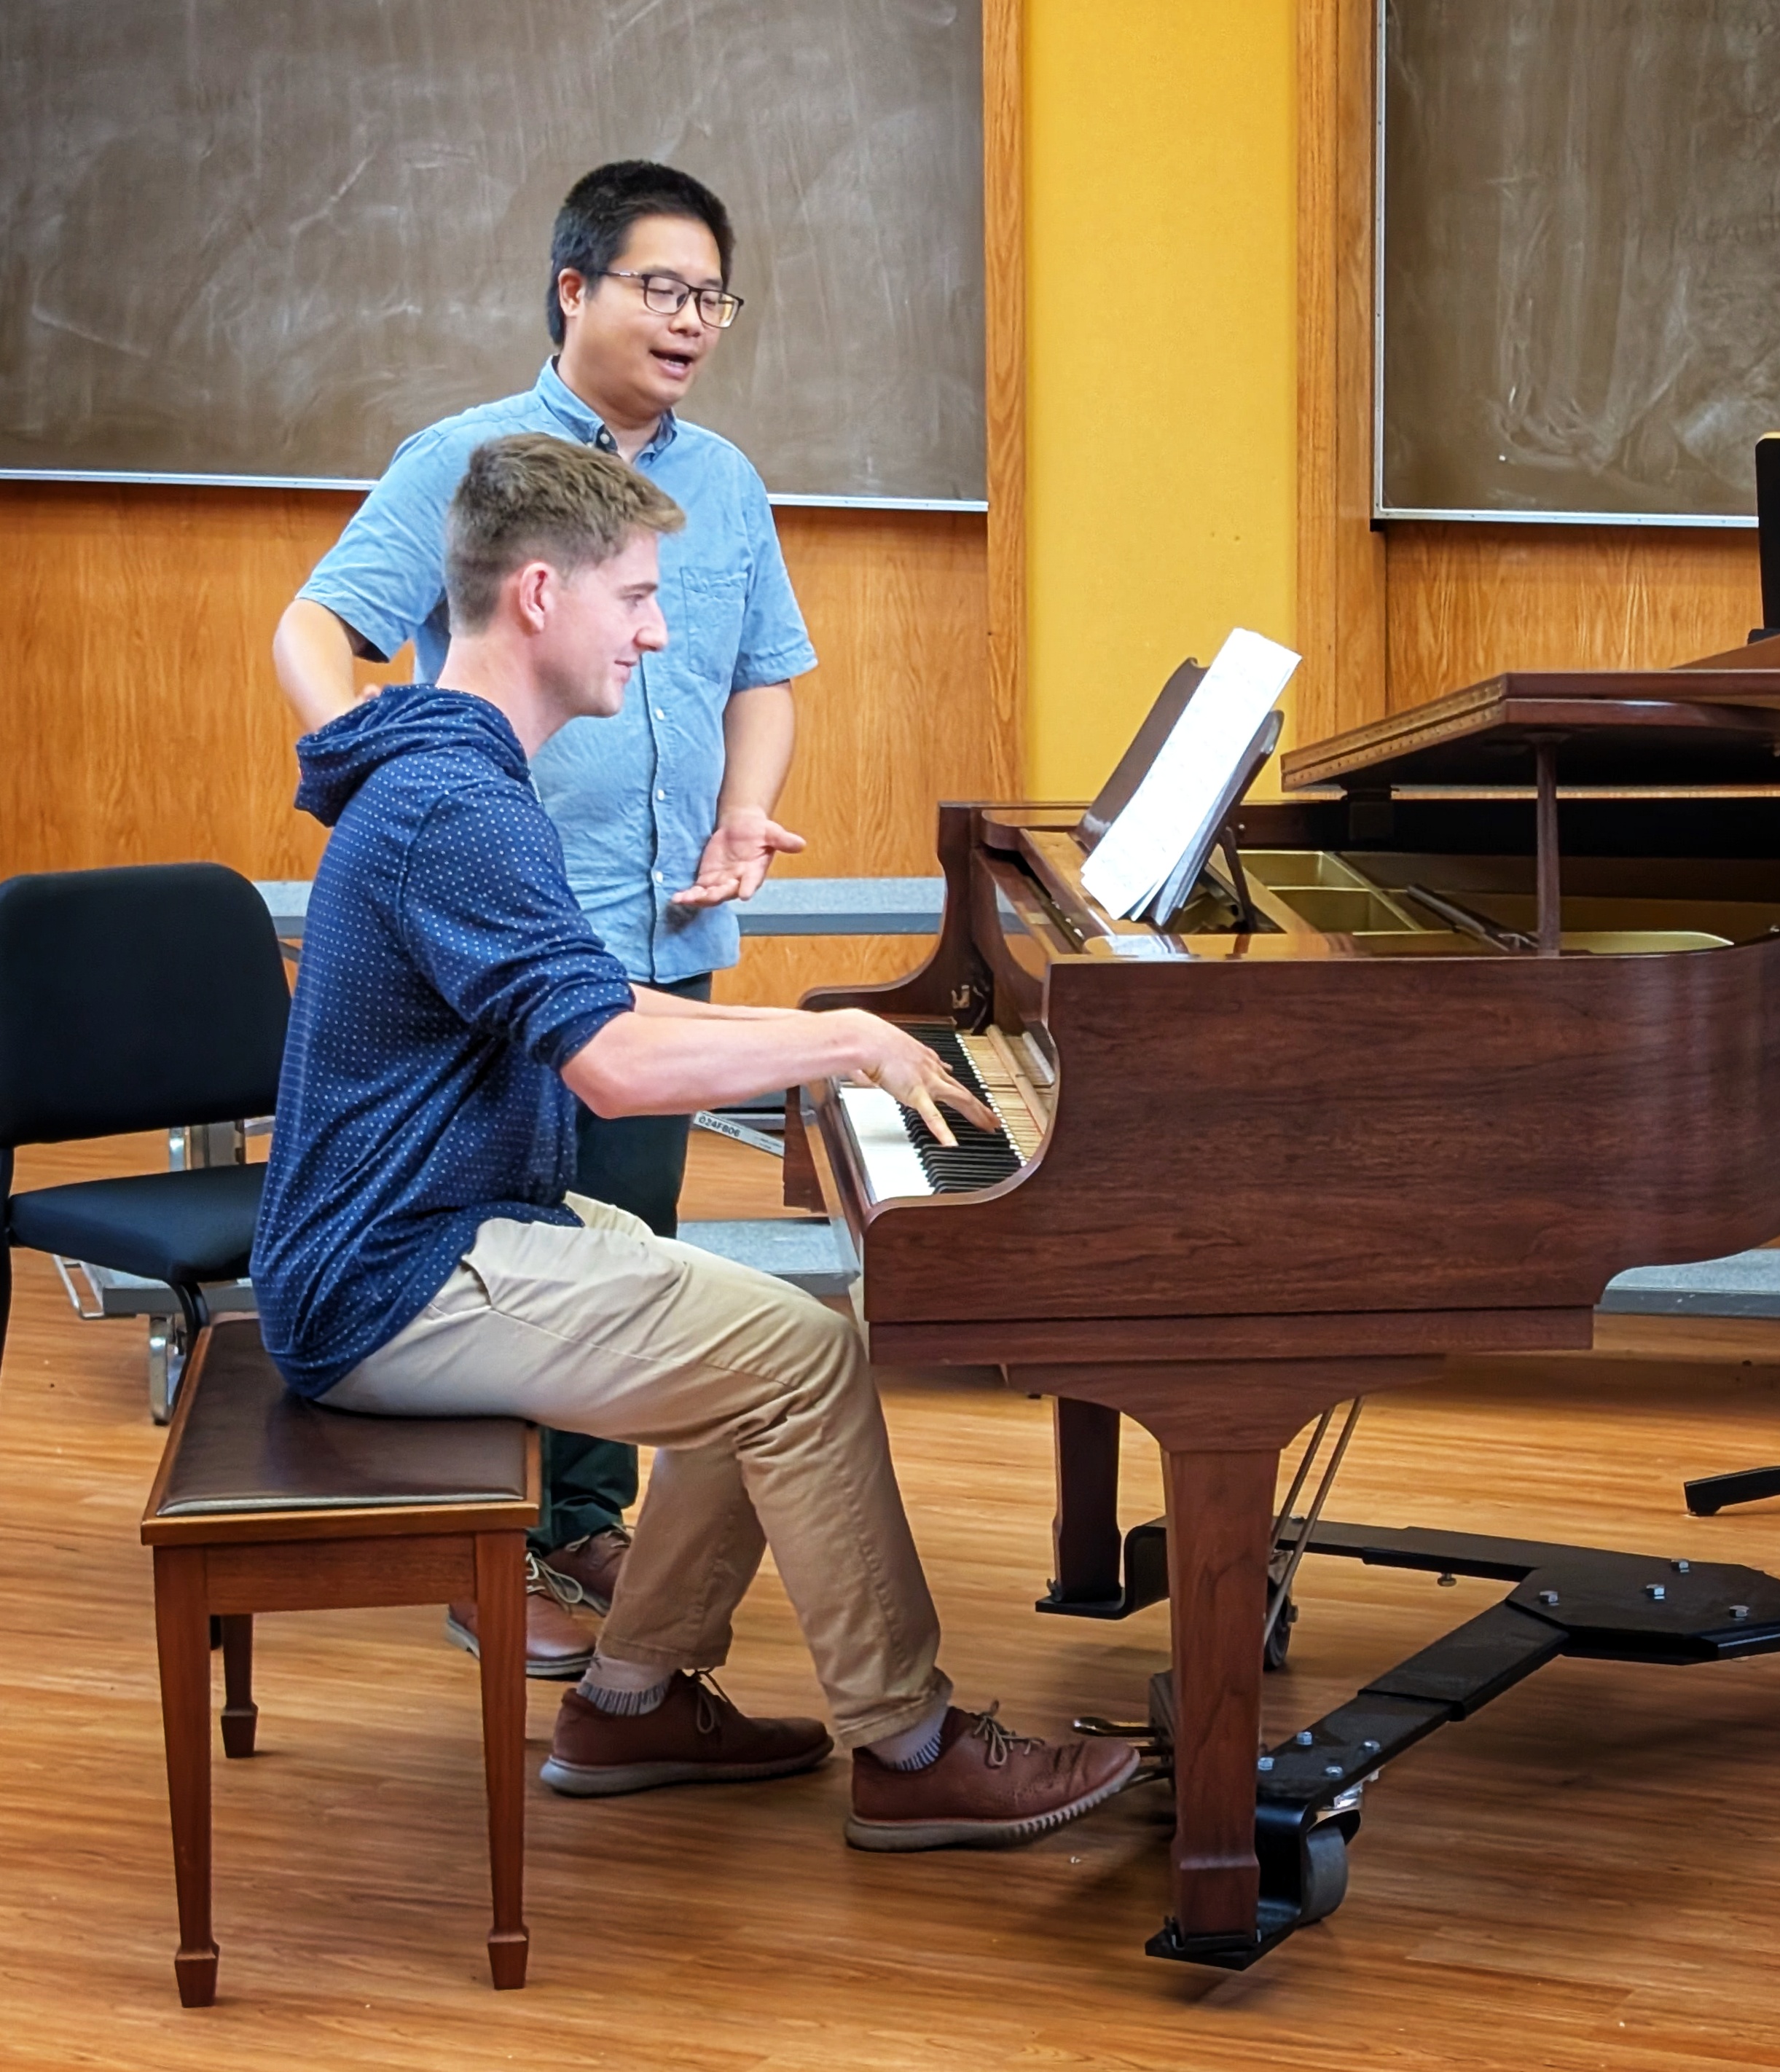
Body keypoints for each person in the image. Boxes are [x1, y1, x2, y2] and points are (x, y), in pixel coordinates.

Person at [251, 433, 1138, 1846]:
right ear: (539, 595)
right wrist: (844, 1041)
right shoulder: (457, 804)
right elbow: (608, 1066)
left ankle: (626, 1699)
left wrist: (819, 1039)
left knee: (767, 1331)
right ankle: (912, 1755)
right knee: (799, 1358)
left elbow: (590, 1004)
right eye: (638, 598)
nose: (662, 633)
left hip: (441, 1229)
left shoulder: (452, 770)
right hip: (392, 1282)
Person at [273, 161, 808, 1674]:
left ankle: (583, 1527)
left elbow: (759, 670)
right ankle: (489, 1548)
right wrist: (394, 775)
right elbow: (315, 627)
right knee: (478, 1244)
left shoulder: (732, 483)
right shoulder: (463, 458)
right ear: (573, 289)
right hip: (489, 946)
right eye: (661, 287)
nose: (691, 320)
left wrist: (737, 811)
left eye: (712, 294)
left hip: (655, 934)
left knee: (620, 1247)